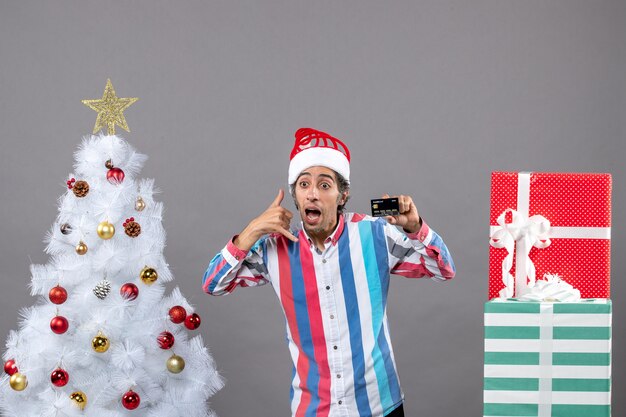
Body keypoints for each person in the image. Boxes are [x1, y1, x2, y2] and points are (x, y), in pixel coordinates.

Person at [203, 128, 455, 417]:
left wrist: (415, 227)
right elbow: (213, 283)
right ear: (296, 197)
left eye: (324, 185)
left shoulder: (375, 234)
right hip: (313, 409)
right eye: (304, 184)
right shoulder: (275, 248)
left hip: (378, 407)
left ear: (342, 195)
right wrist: (252, 230)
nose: (312, 194)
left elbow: (443, 269)